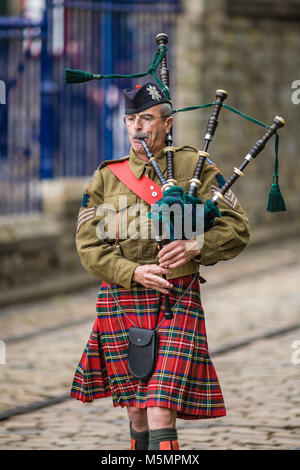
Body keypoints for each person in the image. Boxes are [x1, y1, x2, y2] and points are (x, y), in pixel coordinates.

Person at [70, 82, 250, 450]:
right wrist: (132, 272)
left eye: (146, 118)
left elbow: (238, 228)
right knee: (136, 409)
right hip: (122, 301)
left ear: (167, 124)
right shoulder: (106, 177)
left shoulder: (193, 166)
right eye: (131, 119)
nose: (137, 126)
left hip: (176, 299)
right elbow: (88, 245)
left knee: (160, 407)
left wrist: (193, 246)